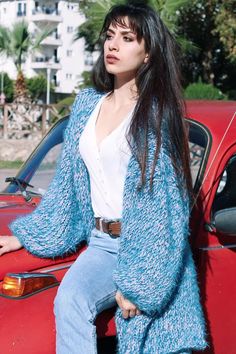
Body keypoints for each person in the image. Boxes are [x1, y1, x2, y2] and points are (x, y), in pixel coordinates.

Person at [0, 3, 207, 354]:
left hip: (142, 245)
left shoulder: (156, 114)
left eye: (127, 38)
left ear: (147, 55)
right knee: (70, 302)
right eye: (110, 36)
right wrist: (28, 236)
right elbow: (67, 186)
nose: (113, 45)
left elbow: (165, 210)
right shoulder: (86, 105)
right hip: (100, 244)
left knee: (148, 331)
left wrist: (140, 282)